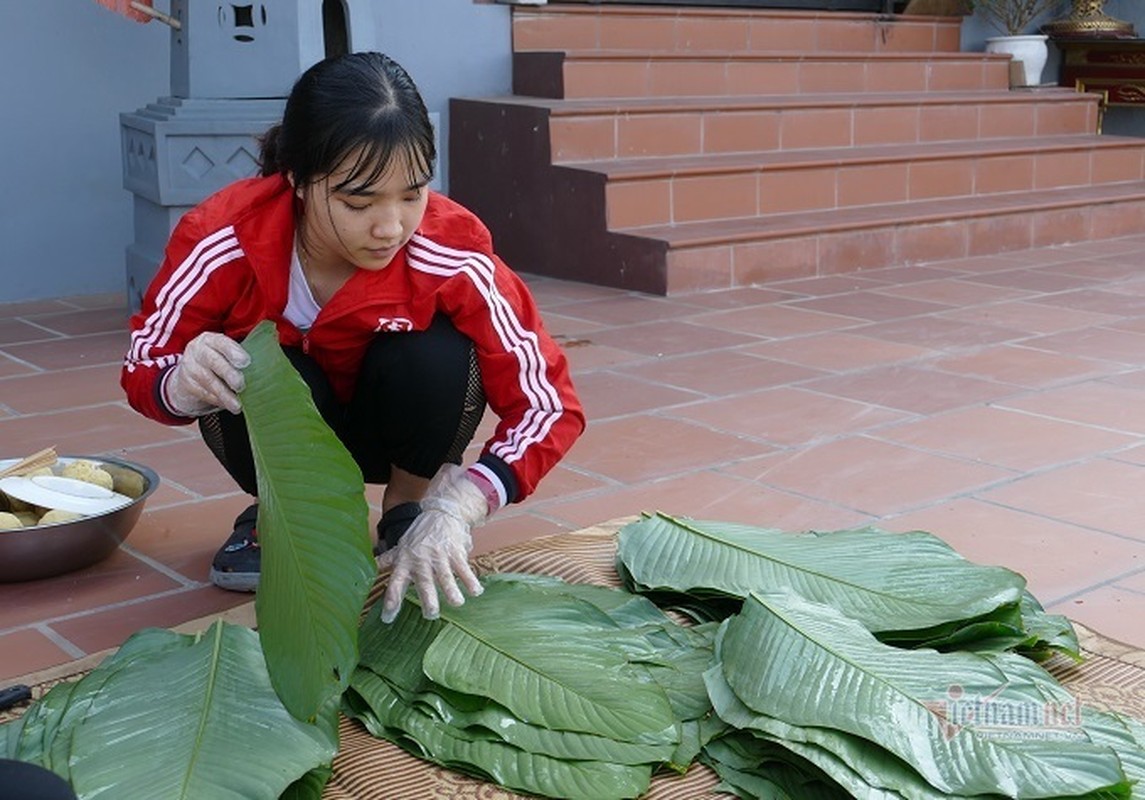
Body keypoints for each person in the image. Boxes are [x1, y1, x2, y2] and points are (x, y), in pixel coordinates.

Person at [121, 51, 585, 623]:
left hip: (394, 432)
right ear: (295, 178)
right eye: (358, 201)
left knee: (438, 352)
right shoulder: (223, 238)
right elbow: (147, 359)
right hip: (278, 439)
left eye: (412, 194)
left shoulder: (452, 251)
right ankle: (279, 515)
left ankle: (405, 509)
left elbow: (548, 403)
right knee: (251, 361)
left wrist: (464, 503)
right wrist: (180, 382)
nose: (390, 226)